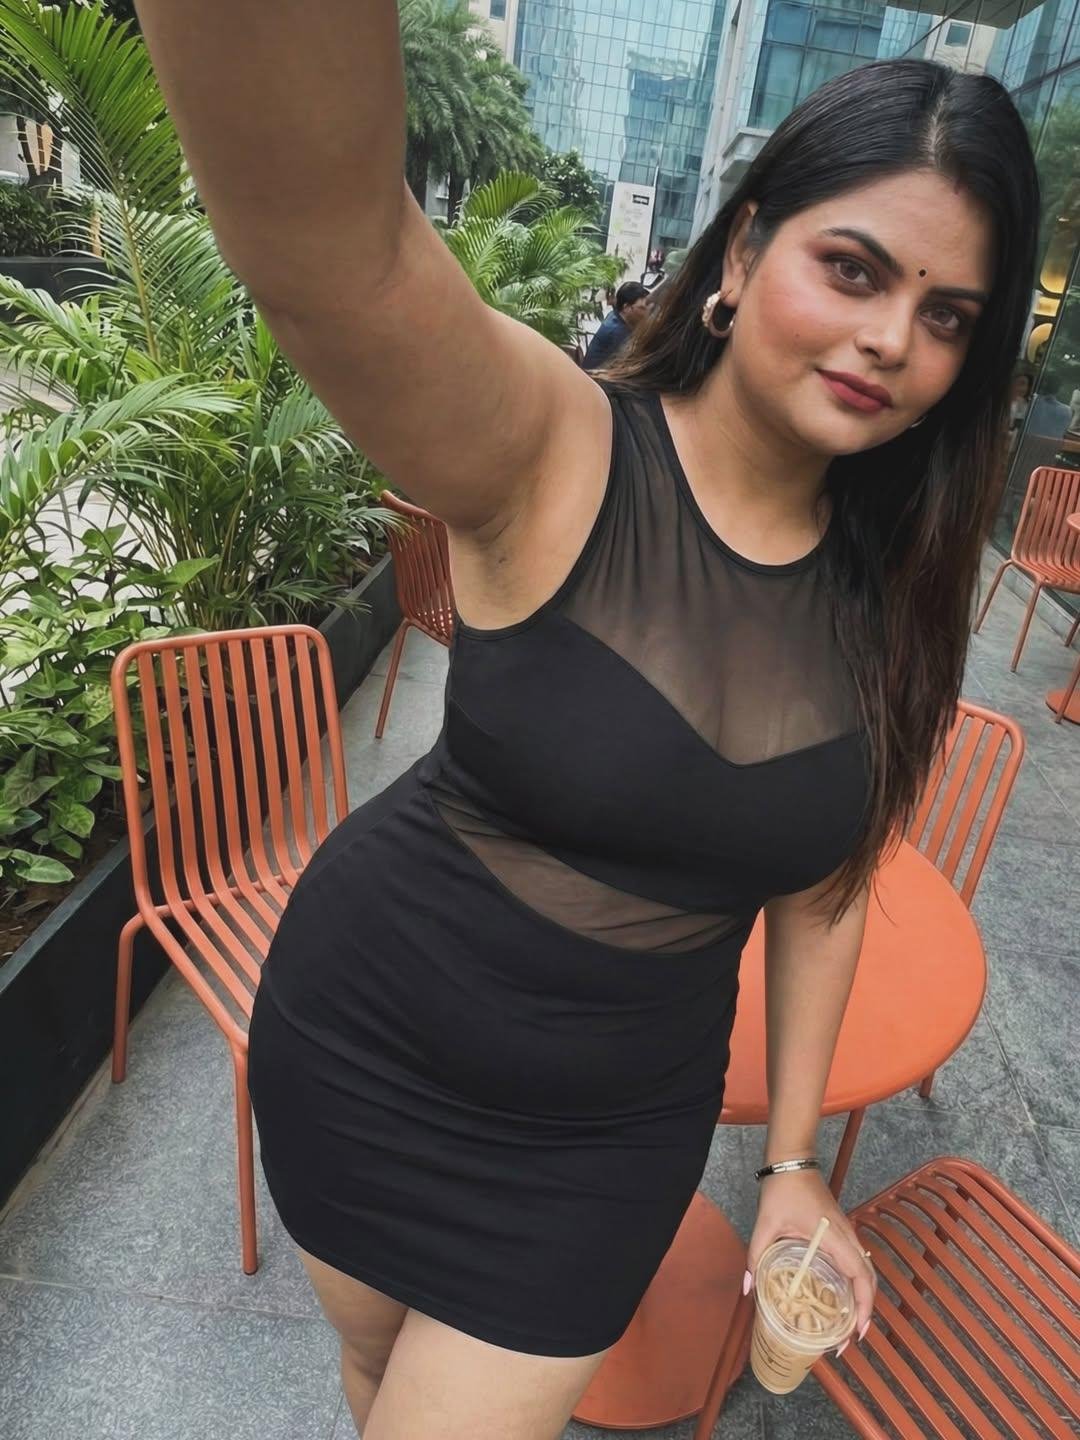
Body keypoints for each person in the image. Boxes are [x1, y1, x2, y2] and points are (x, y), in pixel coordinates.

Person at [137, 7, 1039, 1436]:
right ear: (740, 256)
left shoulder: (897, 597)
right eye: (854, 269)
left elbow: (823, 891)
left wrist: (794, 1162)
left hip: (604, 1149)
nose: (890, 339)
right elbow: (332, 249)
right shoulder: (555, 447)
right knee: (373, 1372)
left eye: (947, 320)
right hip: (365, 1039)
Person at [581, 280, 651, 370]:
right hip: (596, 376)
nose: (646, 312)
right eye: (642, 308)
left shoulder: (615, 315)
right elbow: (628, 364)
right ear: (626, 307)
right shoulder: (617, 331)